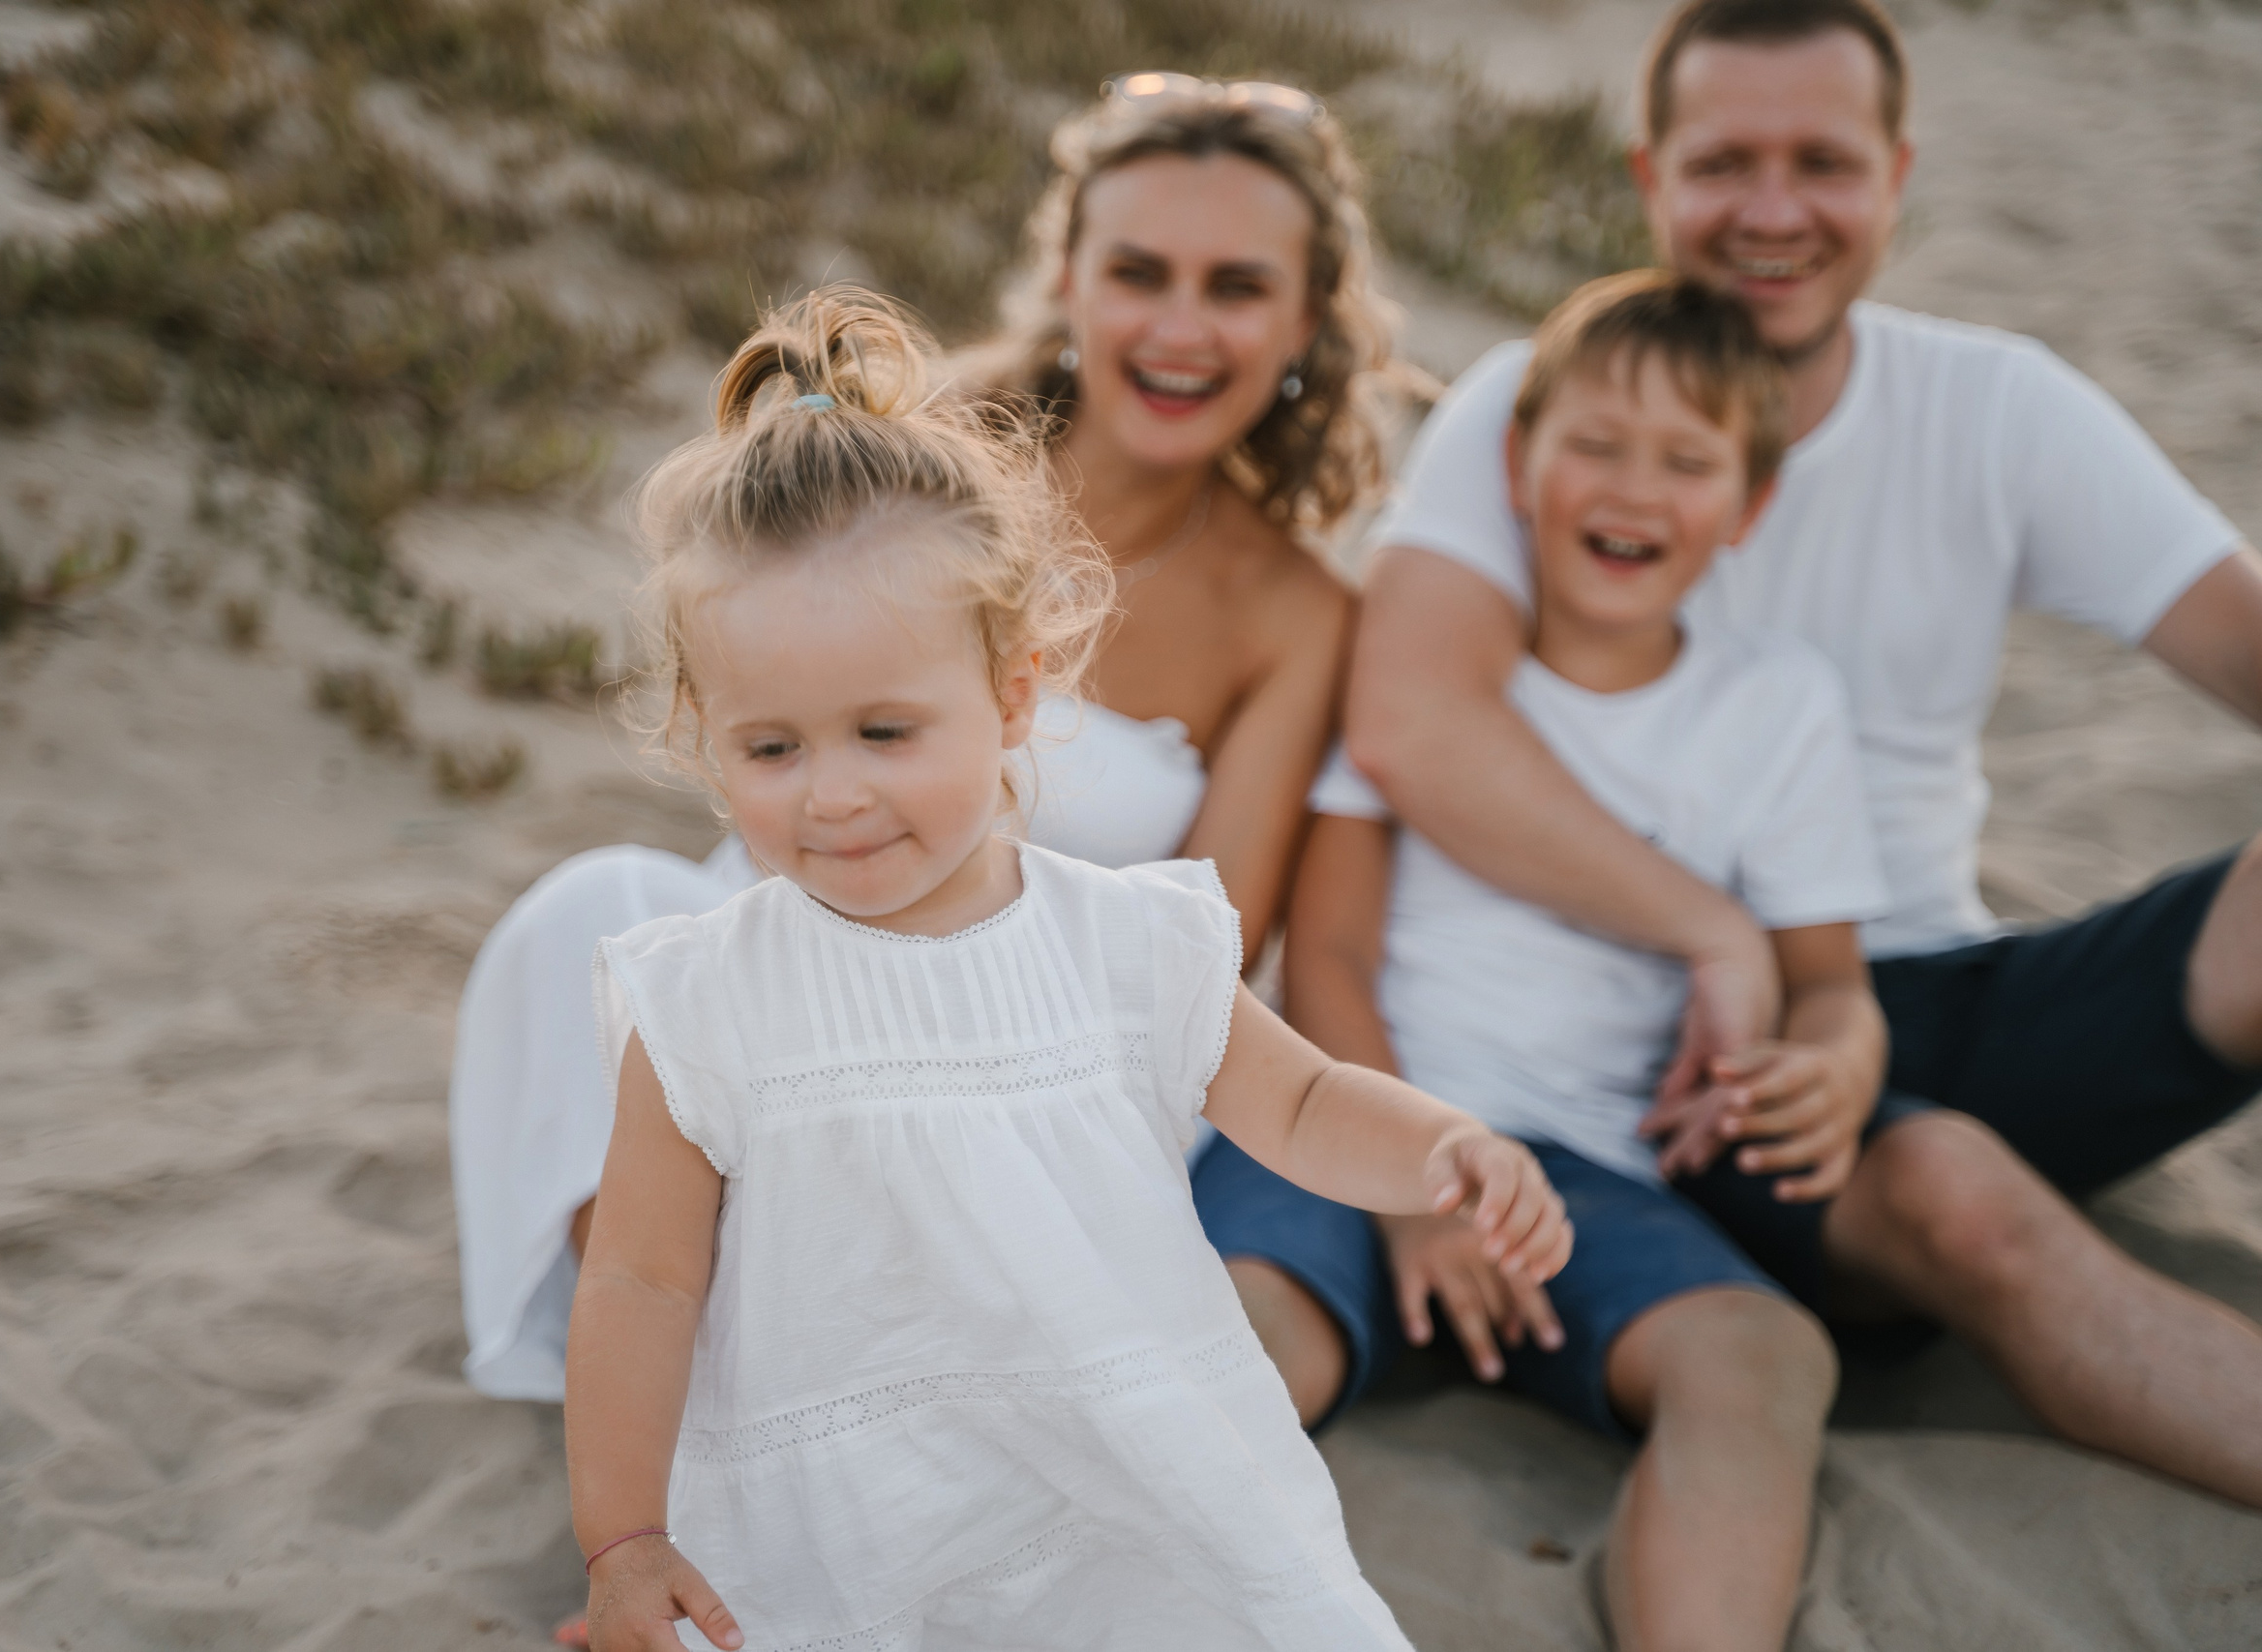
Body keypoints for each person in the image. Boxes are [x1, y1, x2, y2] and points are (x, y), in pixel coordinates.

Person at [1303, 0, 2262, 1507]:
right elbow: (1413, 726)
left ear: (1894, 174)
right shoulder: (1540, 409)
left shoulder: (1993, 405)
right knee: (1956, 1199)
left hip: (1926, 992)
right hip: (1690, 1063)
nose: (1771, 211)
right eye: (1724, 162)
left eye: (1820, 162)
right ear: (1651, 176)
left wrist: (1811, 1003)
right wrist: (1718, 936)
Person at [563, 288, 1571, 1652]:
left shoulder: (1130, 942)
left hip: (1120, 1493)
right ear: (704, 738)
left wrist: (1444, 1151)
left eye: (885, 729)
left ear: (1016, 693)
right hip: (846, 1520)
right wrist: (624, 1538)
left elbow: (1305, 1106)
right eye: (772, 749)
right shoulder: (705, 1004)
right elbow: (641, 1282)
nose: (835, 794)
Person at [449, 74, 1407, 1416]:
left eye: (1237, 287)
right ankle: (694, 1393)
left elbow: (1214, 932)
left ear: (1308, 319)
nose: (1181, 328)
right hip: (783, 934)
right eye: (1139, 270)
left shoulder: (1300, 613)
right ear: (1070, 275)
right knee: (597, 917)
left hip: (1035, 1038)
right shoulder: (912, 447)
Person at [1293, 270, 1882, 1652]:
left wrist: (1839, 1070)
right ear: (1517, 462)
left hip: (1579, 1173)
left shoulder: (1775, 708)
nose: (1633, 490)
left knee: (1764, 1355)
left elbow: (1834, 982)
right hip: (1351, 1119)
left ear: (1748, 507)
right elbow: (1323, 956)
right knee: (1247, 1337)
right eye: (1596, 445)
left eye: (1688, 462)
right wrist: (1405, 1195)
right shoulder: (1439, 676)